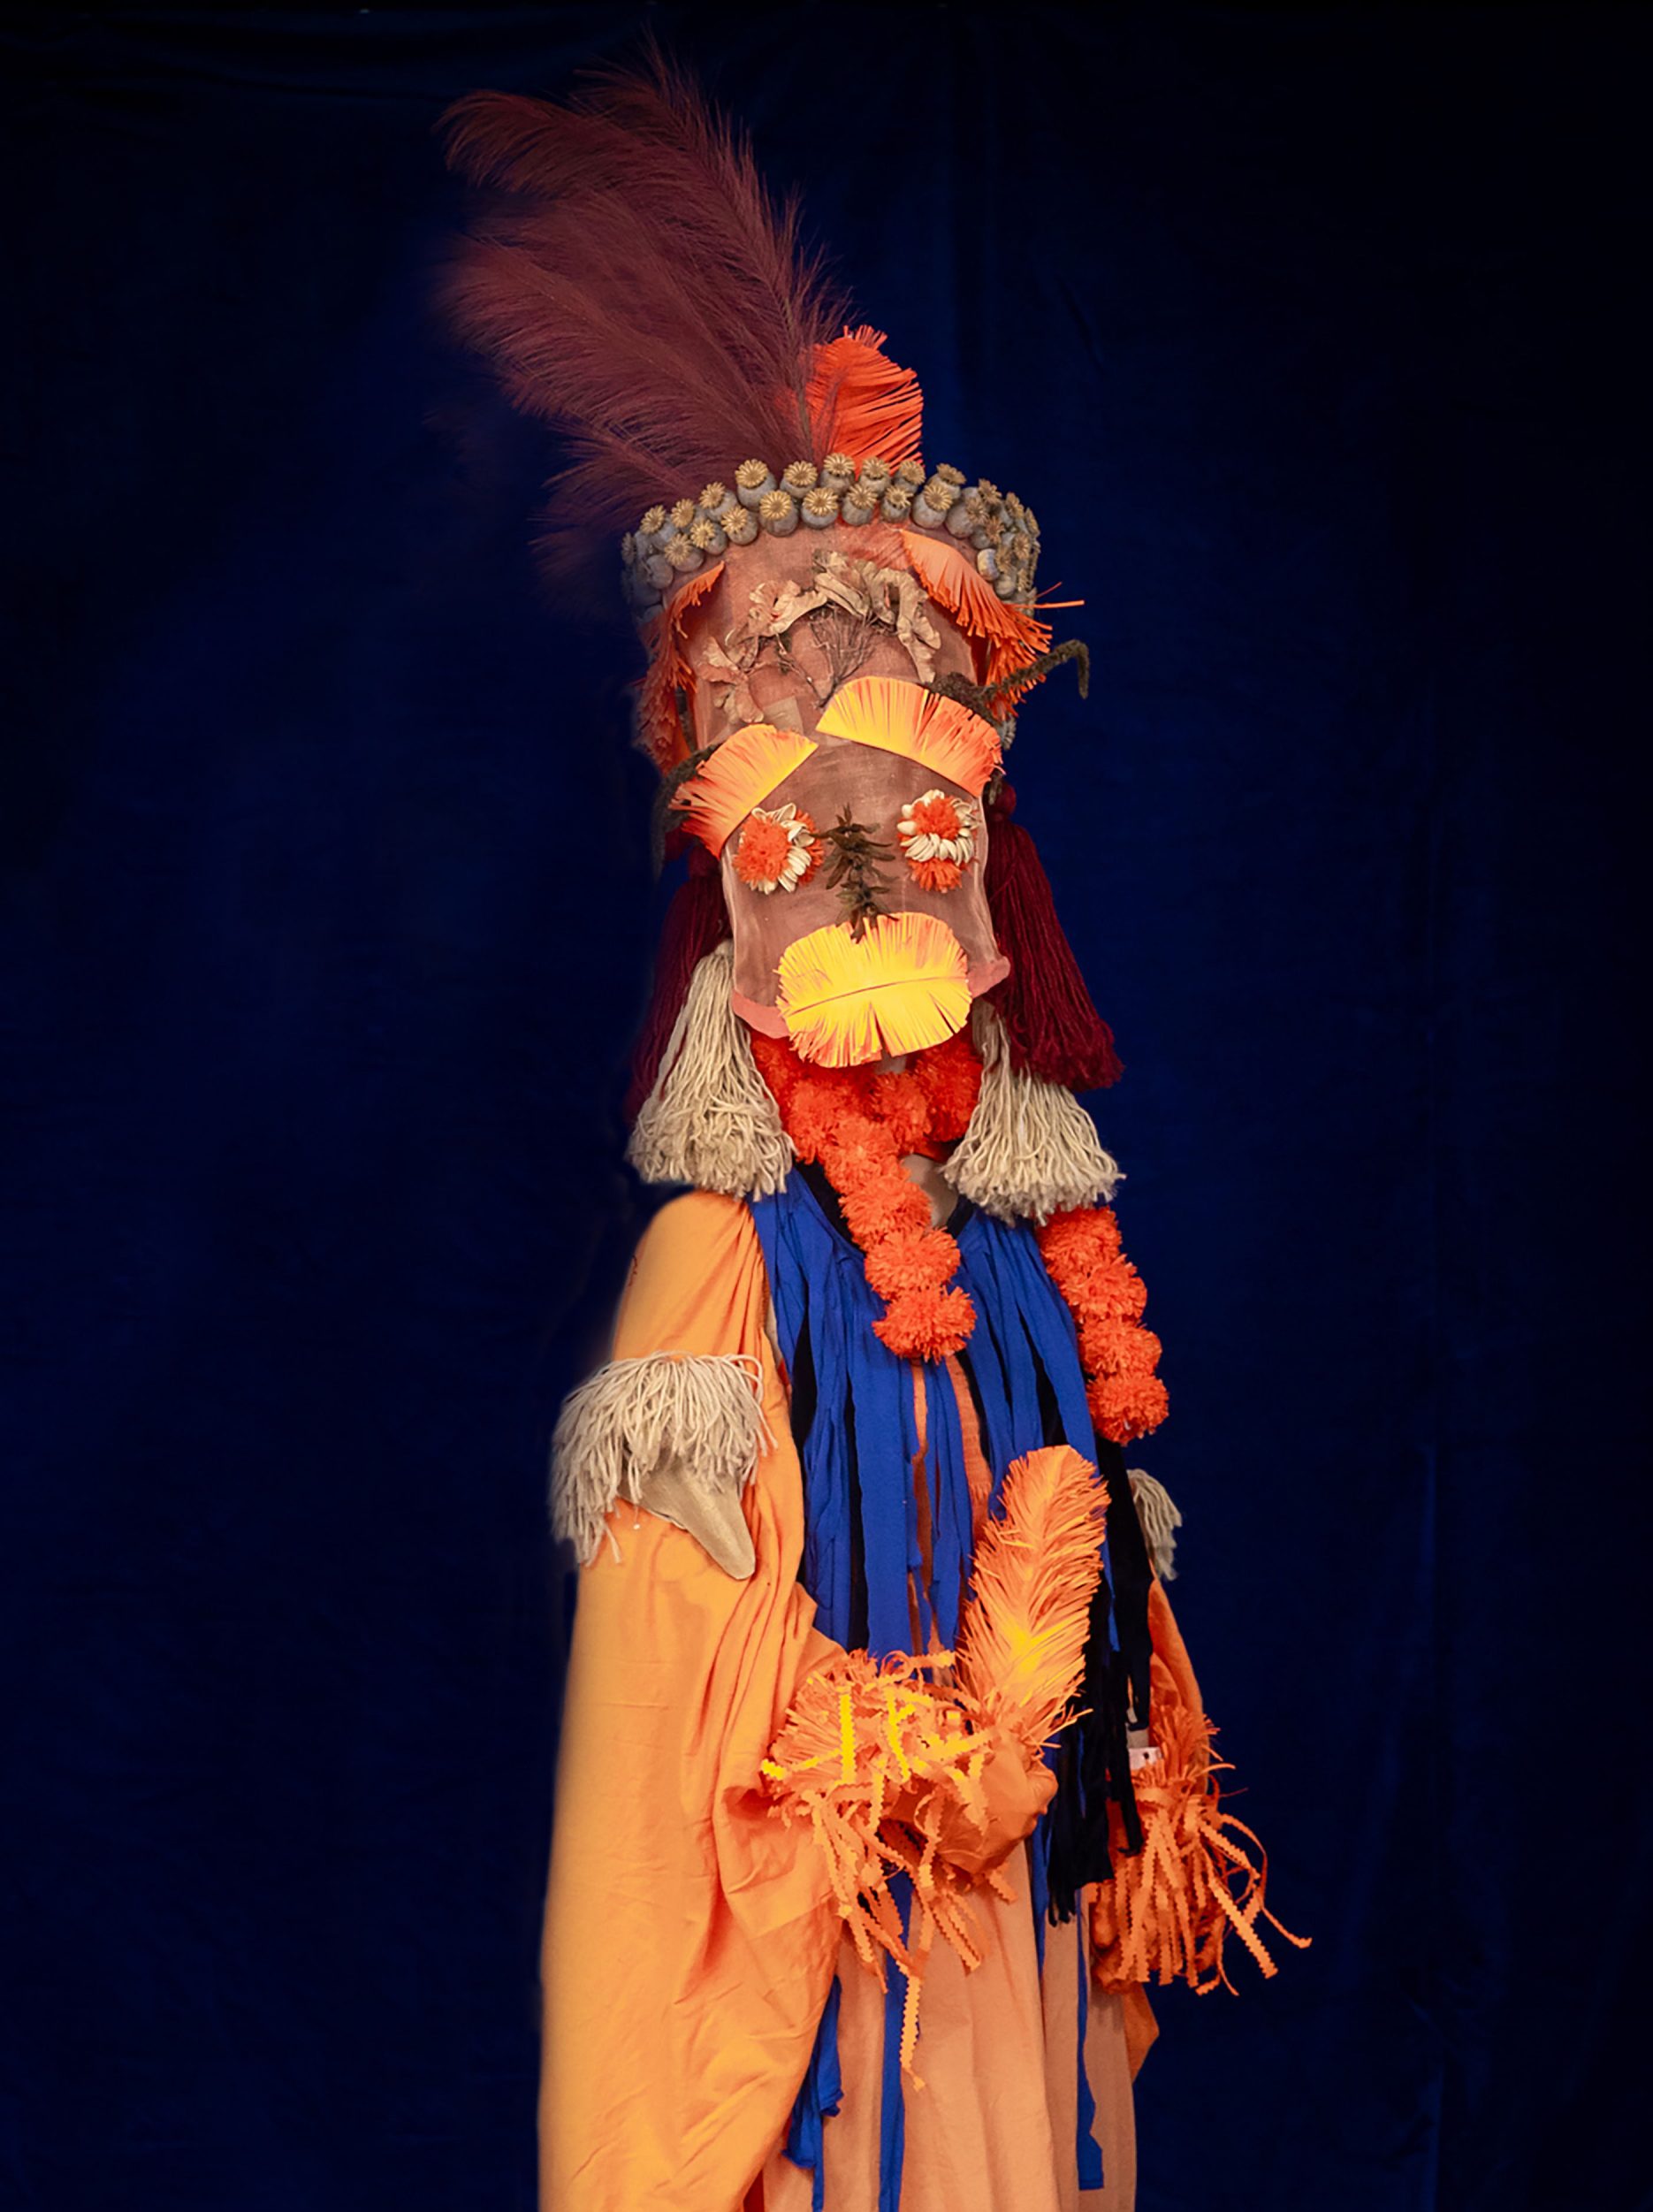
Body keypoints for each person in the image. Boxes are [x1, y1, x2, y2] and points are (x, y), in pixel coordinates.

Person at [441, 51, 1301, 2210]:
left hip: (1008, 1973)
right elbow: (678, 1732)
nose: (855, 865)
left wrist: (1105, 1702)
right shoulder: (720, 1265)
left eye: (910, 824)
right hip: (846, 2007)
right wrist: (967, 1738)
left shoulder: (1028, 1250)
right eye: (803, 822)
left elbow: (1098, 1651)